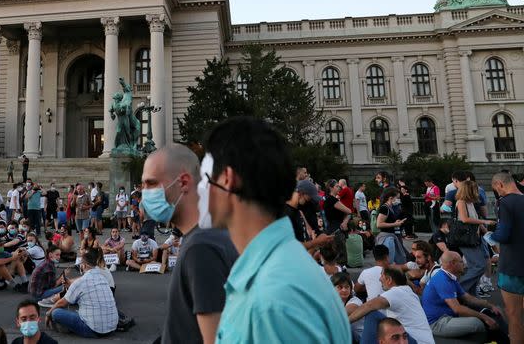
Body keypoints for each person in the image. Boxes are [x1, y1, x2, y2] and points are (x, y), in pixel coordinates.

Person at [202, 116, 350, 344]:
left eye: (204, 178)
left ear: (227, 180)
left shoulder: (271, 300)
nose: (198, 190)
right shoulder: (279, 270)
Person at [141, 143, 239, 343]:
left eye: (151, 184)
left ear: (183, 182)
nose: (145, 195)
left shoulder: (201, 248)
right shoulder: (209, 235)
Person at [421, 250, 507, 341]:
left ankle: (505, 338)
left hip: (445, 316)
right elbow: (457, 308)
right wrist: (485, 318)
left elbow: (467, 297)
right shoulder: (442, 280)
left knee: (489, 312)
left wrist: (491, 306)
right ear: (453, 263)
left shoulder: (449, 276)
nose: (464, 264)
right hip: (437, 323)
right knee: (477, 323)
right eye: (461, 262)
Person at [348, 266, 435, 344]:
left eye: (381, 276)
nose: (379, 279)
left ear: (389, 280)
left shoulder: (396, 292)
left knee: (371, 314)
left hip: (416, 341)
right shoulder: (407, 291)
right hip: (418, 339)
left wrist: (345, 322)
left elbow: (368, 306)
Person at [45, 250, 118, 338]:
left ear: (84, 265)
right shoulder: (102, 278)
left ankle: (69, 327)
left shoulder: (81, 281)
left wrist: (49, 313)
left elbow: (62, 302)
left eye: (81, 264)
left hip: (94, 330)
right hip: (112, 328)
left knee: (56, 313)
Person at [490, 171, 524, 343]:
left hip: (512, 265)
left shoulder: (505, 203)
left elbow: (503, 235)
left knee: (514, 316)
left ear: (500, 185)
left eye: (496, 189)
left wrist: (491, 236)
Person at [453, 179, 494, 296]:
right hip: (466, 239)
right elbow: (465, 219)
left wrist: (485, 232)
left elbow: (474, 221)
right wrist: (484, 221)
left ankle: (471, 295)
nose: (477, 192)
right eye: (475, 189)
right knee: (479, 266)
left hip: (473, 238)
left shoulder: (469, 203)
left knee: (474, 266)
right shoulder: (461, 202)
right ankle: (460, 290)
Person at [375, 187, 408, 265]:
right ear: (391, 198)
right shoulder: (385, 208)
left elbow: (387, 221)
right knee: (389, 261)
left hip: (391, 236)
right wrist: (395, 224)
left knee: (399, 259)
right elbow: (379, 224)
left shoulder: (389, 208)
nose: (398, 200)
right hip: (387, 238)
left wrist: (395, 222)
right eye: (397, 198)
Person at [331, 272, 365, 342]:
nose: (344, 290)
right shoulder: (333, 301)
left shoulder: (355, 301)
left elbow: (340, 315)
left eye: (347, 287)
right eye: (340, 287)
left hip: (363, 340)